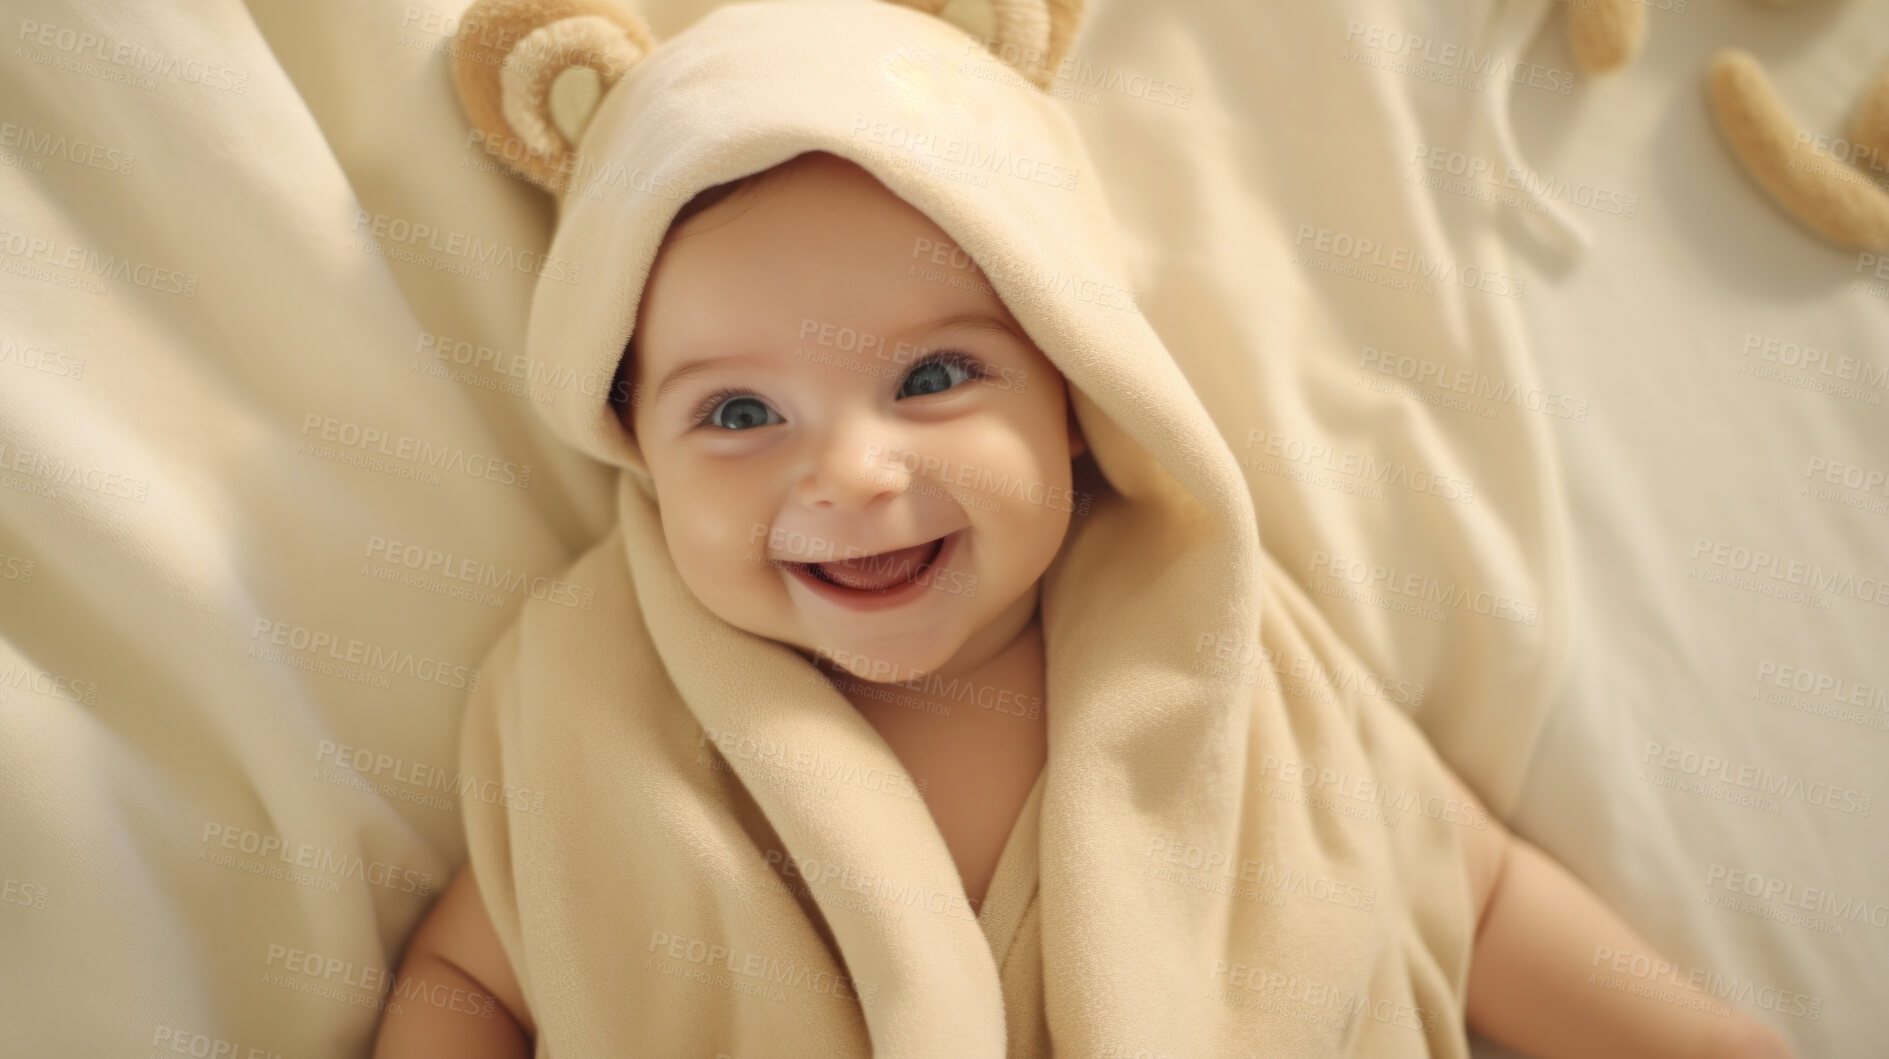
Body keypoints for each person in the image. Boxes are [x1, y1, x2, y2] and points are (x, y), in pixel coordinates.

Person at [375, 2, 1799, 1056]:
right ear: (630, 439)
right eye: (737, 415)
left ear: (1075, 395)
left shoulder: (1214, 641)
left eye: (934, 379)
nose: (853, 472)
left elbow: (1469, 897)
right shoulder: (599, 703)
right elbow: (471, 981)